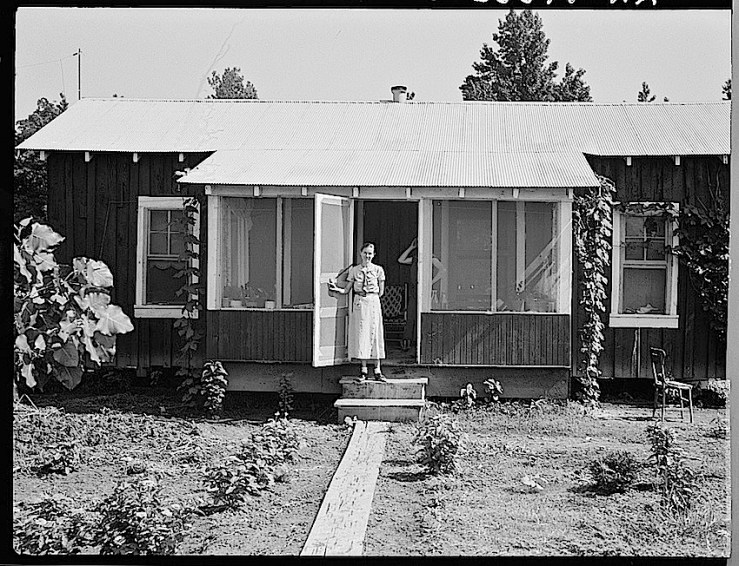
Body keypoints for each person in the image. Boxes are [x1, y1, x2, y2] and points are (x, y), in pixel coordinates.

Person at [328, 242, 387, 382]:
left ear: (374, 255)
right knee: (362, 334)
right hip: (360, 303)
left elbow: (381, 291)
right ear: (361, 253)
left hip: (372, 302)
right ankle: (364, 370)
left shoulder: (378, 270)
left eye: (370, 253)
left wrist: (371, 296)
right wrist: (335, 288)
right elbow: (347, 289)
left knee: (375, 333)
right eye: (365, 253)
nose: (367, 256)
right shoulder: (354, 270)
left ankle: (378, 370)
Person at [397, 237, 418, 352]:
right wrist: (411, 247)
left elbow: (442, 270)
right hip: (414, 292)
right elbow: (401, 260)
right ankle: (407, 342)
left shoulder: (431, 258)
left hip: (424, 292)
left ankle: (417, 342)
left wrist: (431, 282)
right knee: (410, 317)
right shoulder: (415, 259)